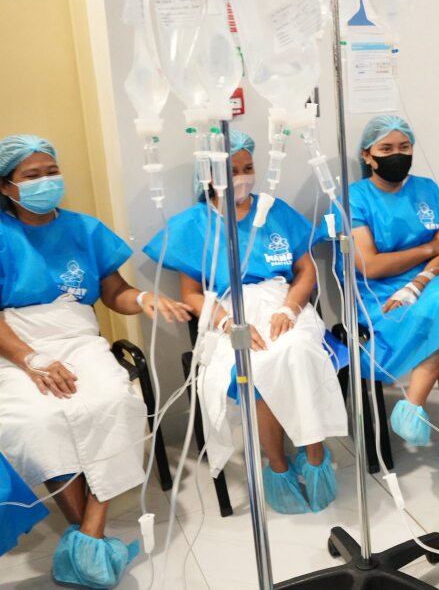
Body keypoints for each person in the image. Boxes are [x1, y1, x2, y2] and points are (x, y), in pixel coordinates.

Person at [0, 134, 192, 587]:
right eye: (32, 175)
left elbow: (114, 292)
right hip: (15, 345)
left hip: (78, 338)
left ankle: (89, 533)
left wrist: (142, 298)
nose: (46, 181)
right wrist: (31, 359)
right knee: (40, 420)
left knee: (113, 403)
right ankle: (90, 538)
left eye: (51, 171)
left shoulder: (85, 229)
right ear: (7, 186)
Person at [145, 130, 348, 515]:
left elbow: (305, 270)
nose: (242, 177)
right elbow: (191, 293)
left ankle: (315, 453)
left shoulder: (275, 211)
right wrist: (227, 324)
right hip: (229, 312)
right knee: (257, 363)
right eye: (232, 170)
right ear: (209, 175)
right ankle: (278, 464)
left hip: (282, 303)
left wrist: (290, 309)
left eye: (248, 168)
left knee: (298, 350)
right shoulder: (194, 225)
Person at [321, 115, 439, 471]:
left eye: (404, 147)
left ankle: (416, 404)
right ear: (368, 155)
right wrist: (428, 249)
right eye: (387, 148)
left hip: (431, 282)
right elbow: (370, 266)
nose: (397, 154)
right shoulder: (354, 199)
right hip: (381, 300)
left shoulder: (428, 190)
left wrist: (419, 281)